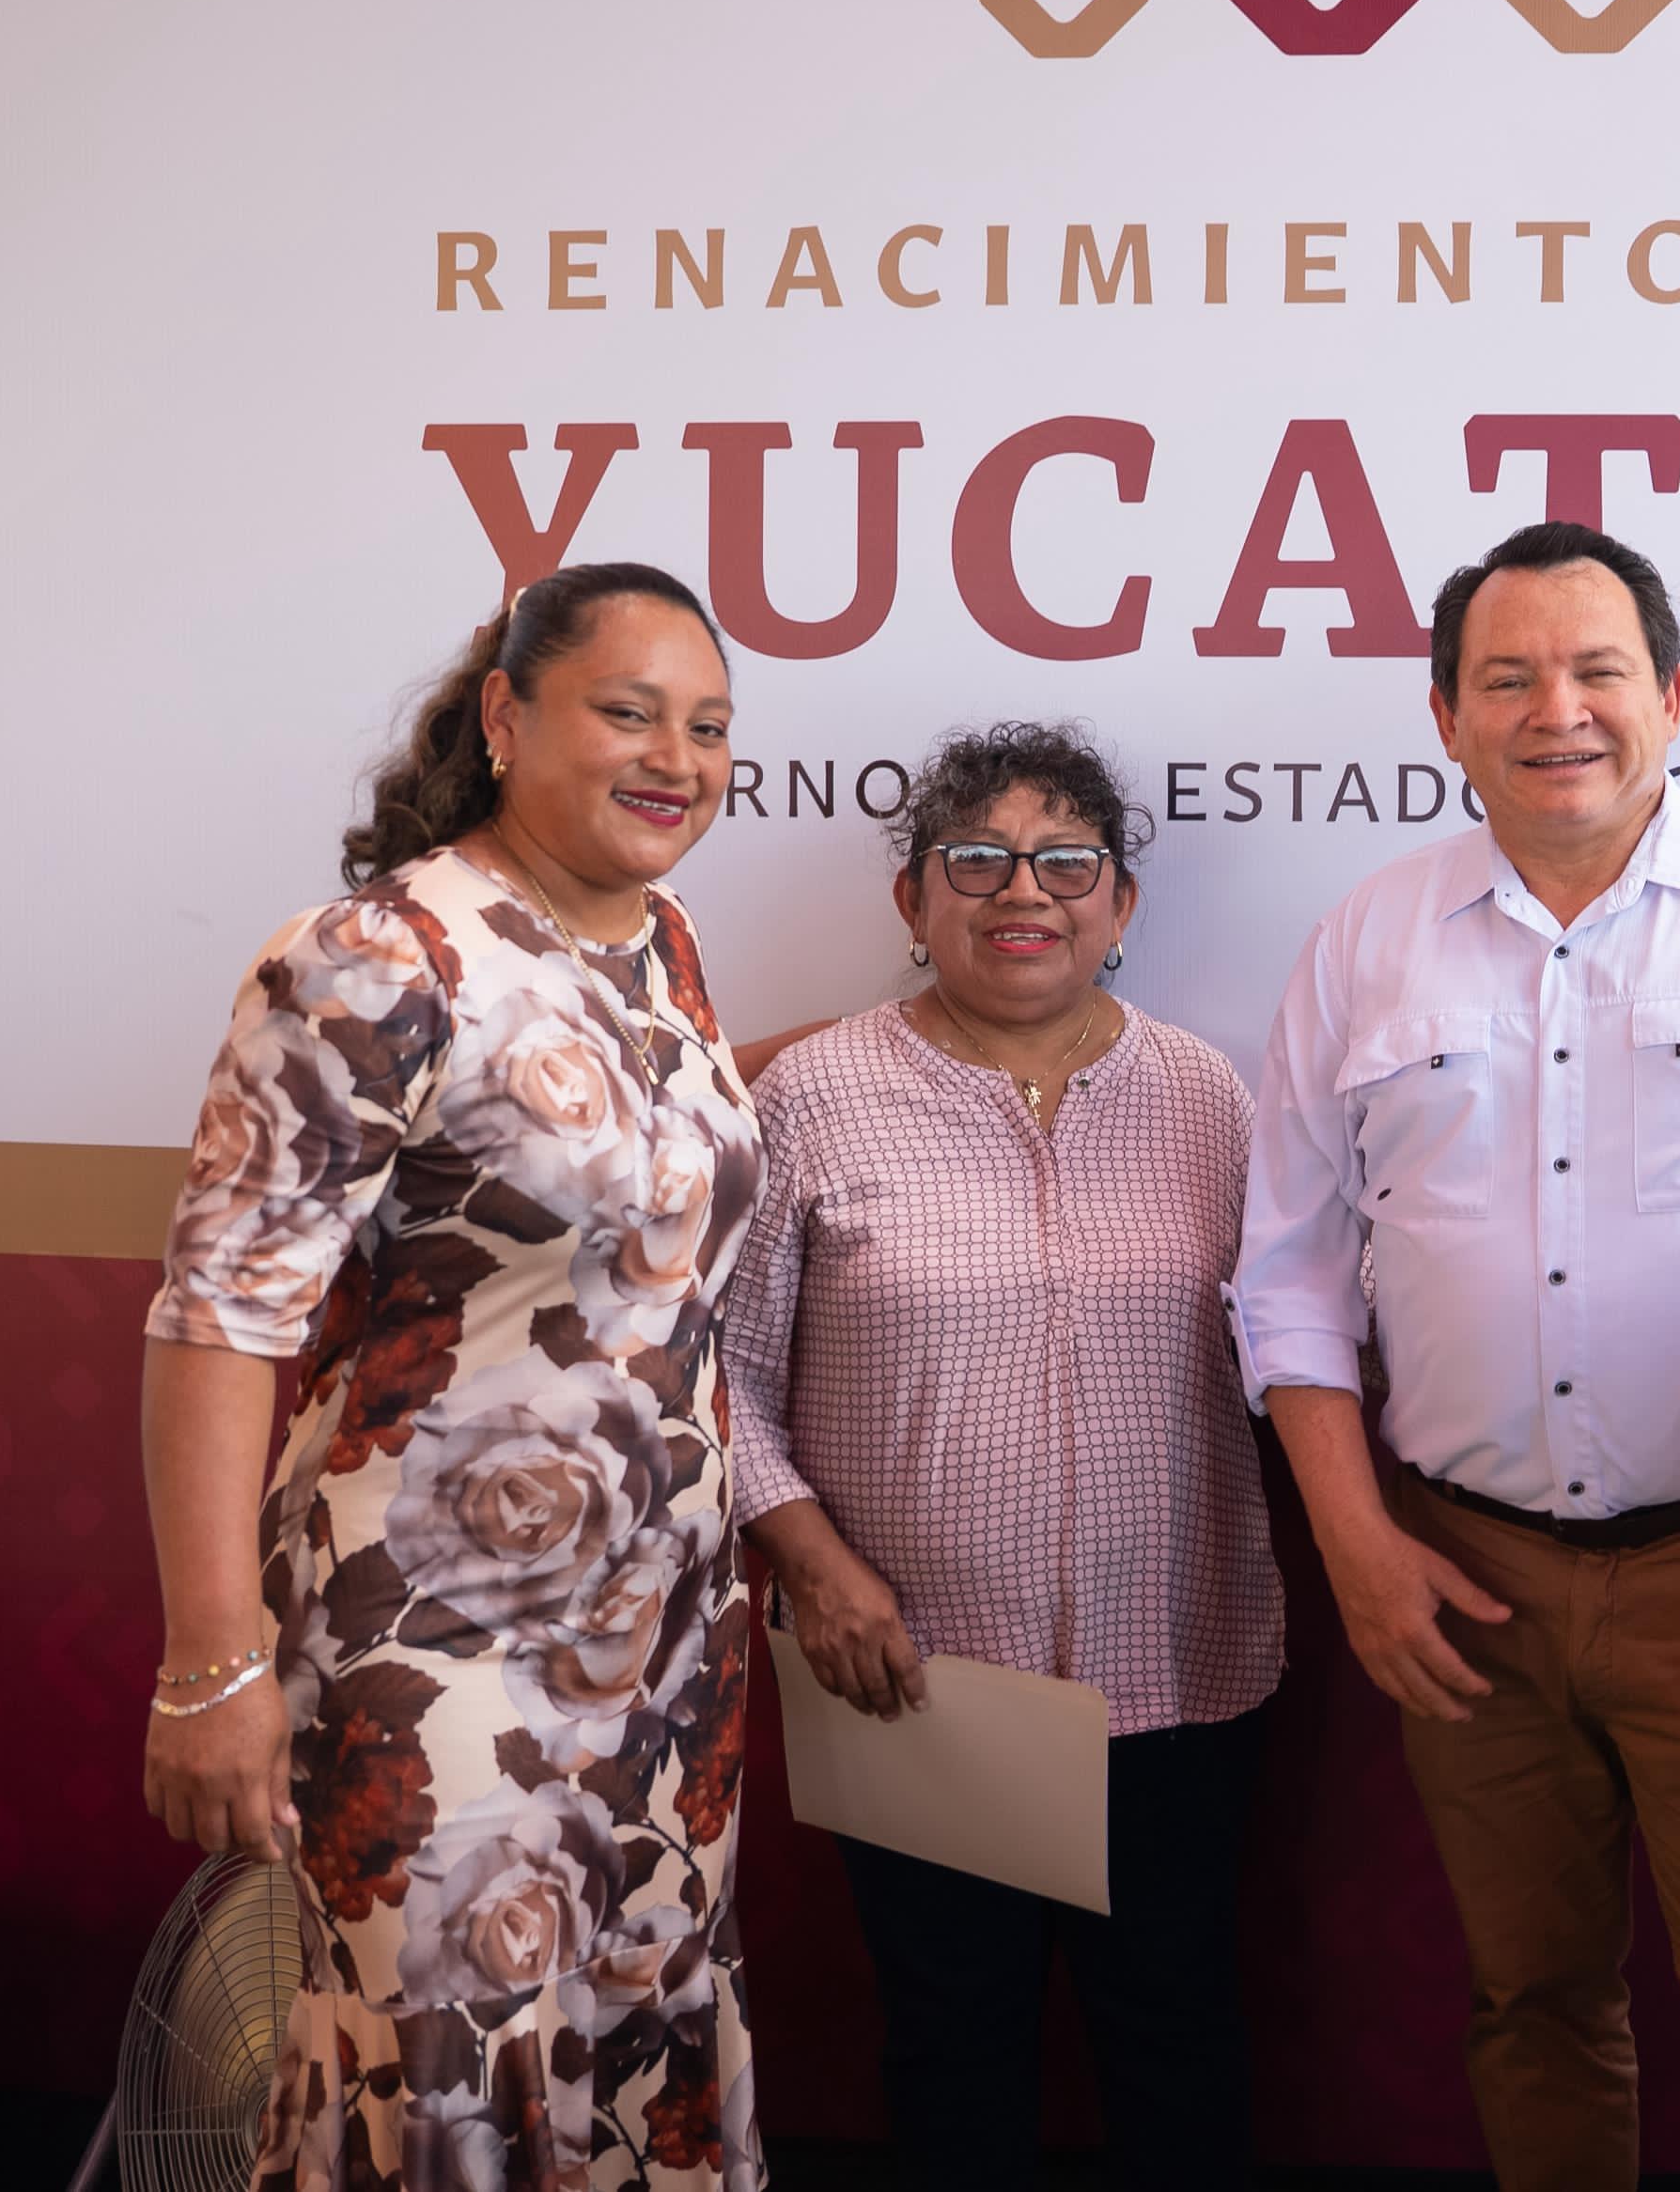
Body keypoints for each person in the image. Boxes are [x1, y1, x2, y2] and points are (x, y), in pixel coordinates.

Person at [1233, 521, 1680, 2192]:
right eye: (1507, 678)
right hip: (1465, 1580)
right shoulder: (1365, 942)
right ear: (1445, 715)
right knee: (1532, 2005)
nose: (1556, 709)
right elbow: (1288, 1279)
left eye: (1597, 669)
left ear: (1673, 695)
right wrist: (1357, 1548)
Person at [139, 563, 769, 2191]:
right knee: (452, 2073)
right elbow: (221, 1317)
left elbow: (626, 1220)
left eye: (708, 727)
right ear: (505, 714)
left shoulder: (663, 940)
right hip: (439, 1645)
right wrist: (210, 1660)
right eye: (629, 712)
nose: (677, 759)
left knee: (630, 2037)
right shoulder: (375, 956)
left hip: (666, 1644)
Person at [723, 722, 1285, 2192]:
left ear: (1121, 901)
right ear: (913, 898)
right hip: (916, 1674)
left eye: (1064, 861)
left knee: (1176, 2035)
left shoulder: (1207, 1095)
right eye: (974, 858)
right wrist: (815, 1566)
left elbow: (1288, 1347)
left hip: (1176, 1667)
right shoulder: (814, 1095)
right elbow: (720, 1376)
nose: (1020, 888)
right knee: (953, 2043)